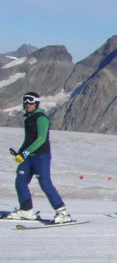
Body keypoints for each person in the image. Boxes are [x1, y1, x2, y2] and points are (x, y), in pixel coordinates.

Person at [5, 92, 71, 223]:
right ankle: (26, 210)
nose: (28, 105)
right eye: (25, 102)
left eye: (31, 102)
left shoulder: (41, 118)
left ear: (36, 104)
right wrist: (20, 153)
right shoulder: (28, 119)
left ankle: (62, 212)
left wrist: (25, 153)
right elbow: (28, 140)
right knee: (20, 181)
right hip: (28, 156)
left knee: (45, 183)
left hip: (41, 156)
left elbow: (41, 139)